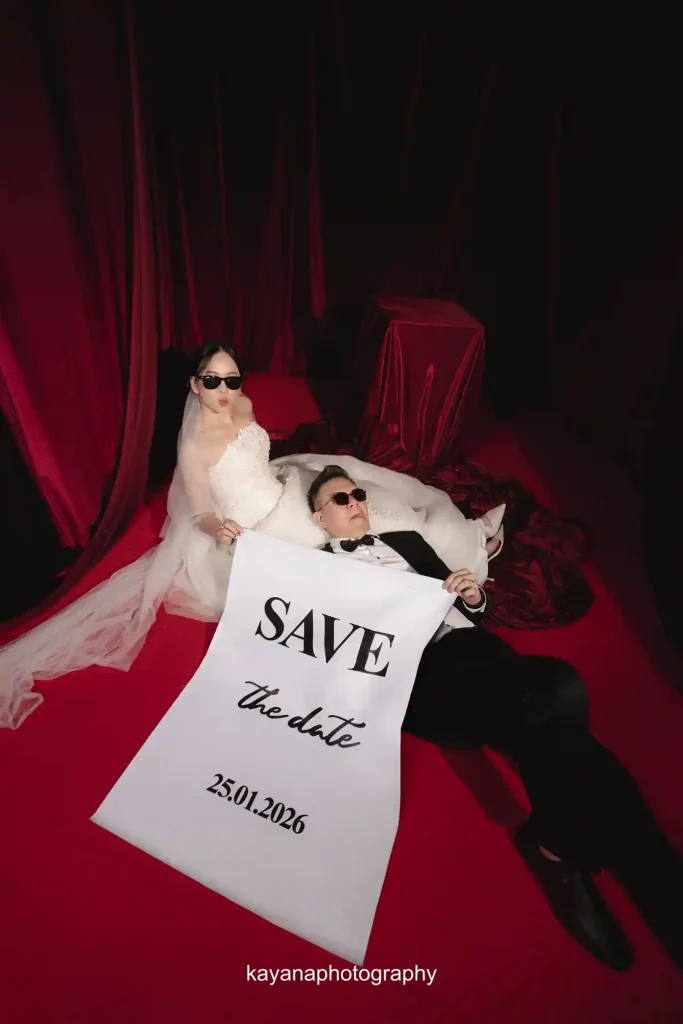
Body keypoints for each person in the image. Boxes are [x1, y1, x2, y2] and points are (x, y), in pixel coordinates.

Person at [0, 342, 504, 730]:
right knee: (337, 555)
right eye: (212, 381)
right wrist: (219, 529)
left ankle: (463, 541)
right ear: (195, 384)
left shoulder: (242, 406)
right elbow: (200, 512)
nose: (224, 390)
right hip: (255, 528)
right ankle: (452, 566)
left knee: (372, 505)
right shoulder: (194, 448)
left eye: (232, 379)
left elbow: (257, 454)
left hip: (283, 490)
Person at [308, 462, 683, 972]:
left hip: (479, 653)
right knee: (560, 691)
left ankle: (560, 846)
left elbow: (471, 609)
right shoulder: (317, 570)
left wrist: (472, 594)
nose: (354, 503)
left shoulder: (406, 542)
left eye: (356, 495)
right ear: (320, 518)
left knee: (568, 740)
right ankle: (598, 862)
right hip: (422, 678)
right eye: (340, 499)